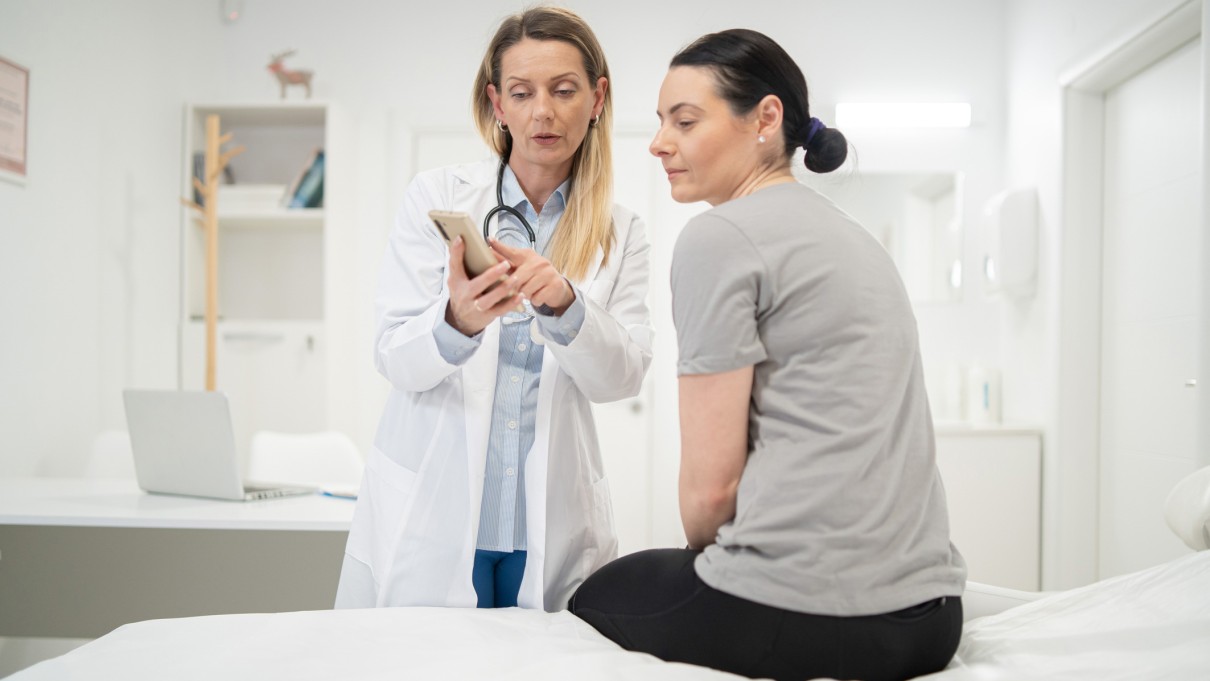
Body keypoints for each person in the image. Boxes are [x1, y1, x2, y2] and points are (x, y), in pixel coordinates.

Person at [568, 29, 965, 681]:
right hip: (930, 619)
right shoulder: (856, 237)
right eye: (662, 120)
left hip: (810, 616)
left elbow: (710, 493)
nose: (659, 141)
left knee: (592, 594)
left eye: (685, 120)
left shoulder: (719, 238)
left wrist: (711, 563)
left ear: (767, 118)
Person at [335, 7, 652, 612]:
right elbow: (394, 356)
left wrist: (564, 305)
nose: (543, 112)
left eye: (564, 91)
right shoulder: (438, 198)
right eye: (522, 92)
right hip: (437, 515)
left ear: (597, 98)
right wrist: (458, 323)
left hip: (547, 527)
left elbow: (623, 378)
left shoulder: (622, 231)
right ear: (497, 103)